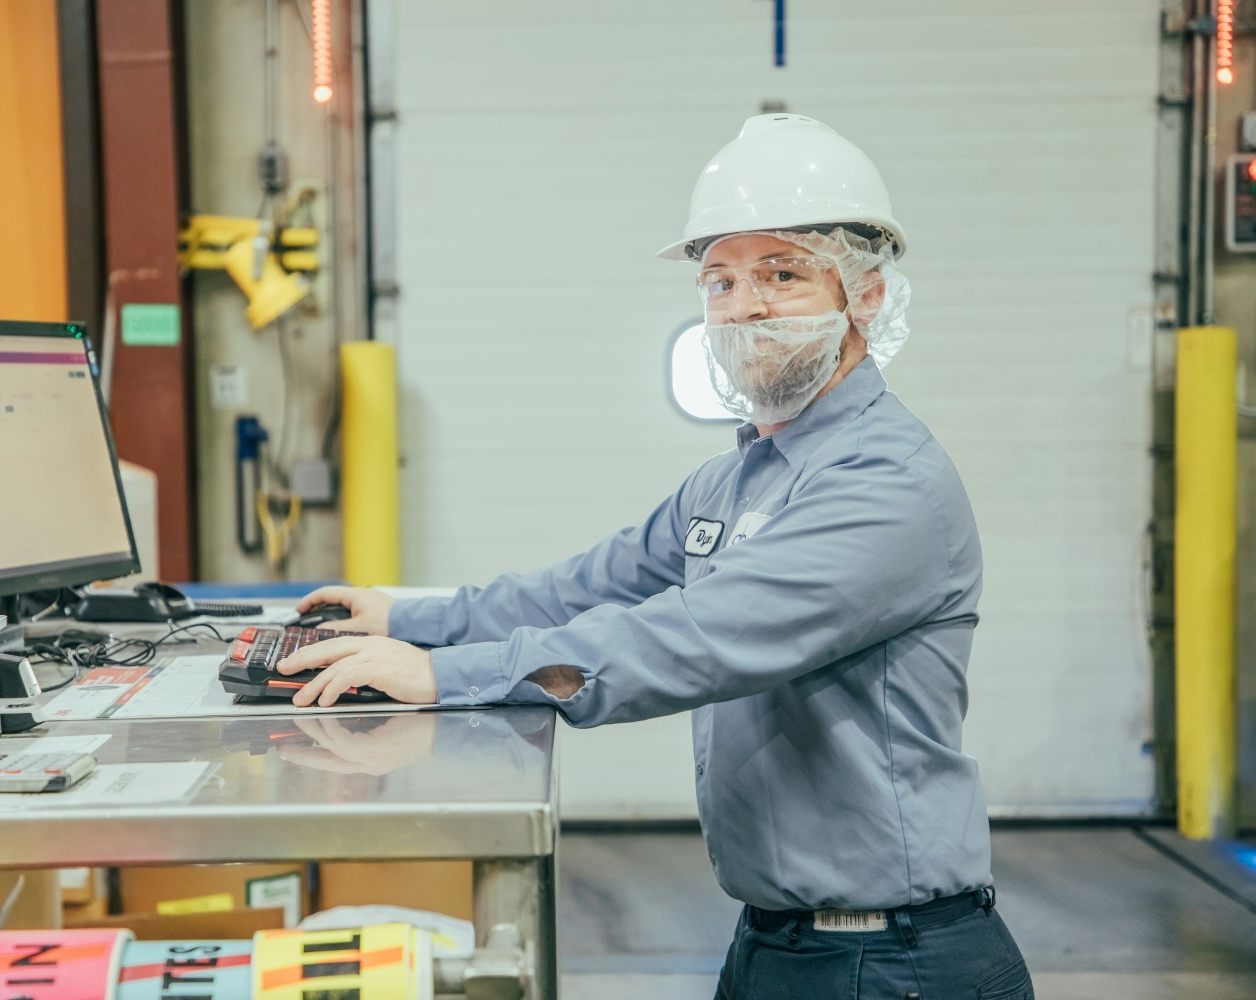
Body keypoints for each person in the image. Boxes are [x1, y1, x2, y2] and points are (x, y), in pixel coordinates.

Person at [275, 114, 1035, 999]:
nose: (744, 307)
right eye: (719, 282)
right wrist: (409, 617)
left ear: (865, 295)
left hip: (892, 962)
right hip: (780, 943)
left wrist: (442, 673)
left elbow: (690, 639)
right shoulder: (736, 479)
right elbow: (587, 586)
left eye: (781, 274)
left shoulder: (887, 484)